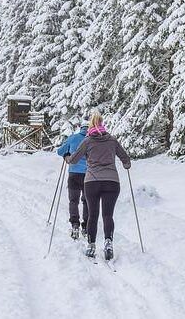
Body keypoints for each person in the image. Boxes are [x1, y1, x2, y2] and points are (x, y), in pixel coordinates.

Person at [66, 111, 131, 260]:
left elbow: (74, 159)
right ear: (102, 125)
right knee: (108, 215)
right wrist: (126, 165)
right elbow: (125, 158)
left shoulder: (87, 141)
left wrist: (67, 158)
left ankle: (91, 245)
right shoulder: (112, 140)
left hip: (92, 182)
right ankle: (108, 242)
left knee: (93, 215)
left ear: (90, 126)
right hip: (112, 182)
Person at [56, 117, 89, 240]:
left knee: (73, 201)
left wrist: (66, 154)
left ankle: (75, 224)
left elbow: (60, 151)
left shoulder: (73, 138)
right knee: (87, 201)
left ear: (80, 128)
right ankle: (86, 226)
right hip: (88, 175)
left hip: (74, 173)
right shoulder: (92, 140)